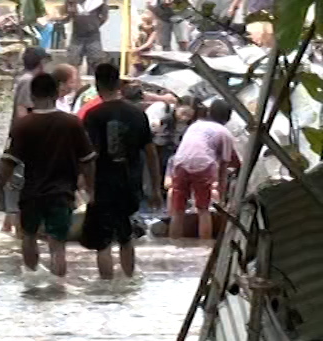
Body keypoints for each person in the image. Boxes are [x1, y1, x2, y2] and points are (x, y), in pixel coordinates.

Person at [0, 72, 96, 278]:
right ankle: (57, 289)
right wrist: (91, 190)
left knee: (29, 237)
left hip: (31, 193)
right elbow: (87, 161)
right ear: (55, 93)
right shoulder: (71, 123)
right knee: (57, 245)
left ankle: (31, 281)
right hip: (62, 193)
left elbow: (8, 162)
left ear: (32, 95)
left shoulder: (23, 125)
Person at [79, 64, 159, 279]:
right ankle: (129, 283)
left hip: (103, 184)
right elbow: (151, 153)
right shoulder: (137, 114)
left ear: (97, 85)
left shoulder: (93, 115)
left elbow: (89, 156)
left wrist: (88, 187)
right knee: (126, 236)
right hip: (130, 183)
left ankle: (106, 289)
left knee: (103, 242)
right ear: (118, 85)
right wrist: (155, 189)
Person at [0, 46, 52, 235]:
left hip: (19, 139)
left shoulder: (25, 80)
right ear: (41, 62)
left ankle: (7, 227)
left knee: (15, 181)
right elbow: (23, 112)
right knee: (19, 183)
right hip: (24, 142)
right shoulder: (29, 81)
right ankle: (20, 232)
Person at [168, 101, 239, 241]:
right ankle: (204, 248)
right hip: (203, 164)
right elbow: (223, 170)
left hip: (180, 162)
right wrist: (222, 196)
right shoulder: (225, 133)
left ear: (209, 113)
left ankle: (173, 244)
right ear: (228, 118)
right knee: (203, 210)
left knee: (178, 210)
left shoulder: (195, 125)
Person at [65, 0, 106, 68]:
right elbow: (67, 15)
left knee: (97, 63)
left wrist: (95, 25)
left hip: (93, 36)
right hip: (77, 36)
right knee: (72, 63)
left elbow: (104, 15)